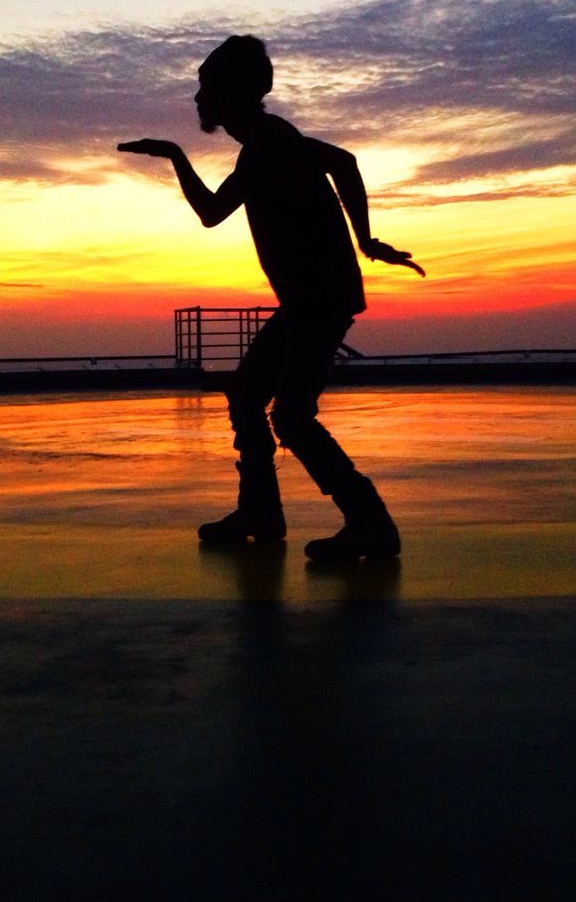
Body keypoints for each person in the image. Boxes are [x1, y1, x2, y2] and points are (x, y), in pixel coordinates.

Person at [119, 35, 423, 560]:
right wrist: (175, 156)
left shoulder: (271, 140)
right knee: (245, 395)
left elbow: (344, 161)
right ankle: (261, 510)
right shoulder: (258, 148)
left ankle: (369, 521)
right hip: (307, 300)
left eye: (204, 87)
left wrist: (366, 240)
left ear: (229, 93)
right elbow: (213, 212)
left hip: (319, 299)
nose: (196, 98)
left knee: (292, 415)